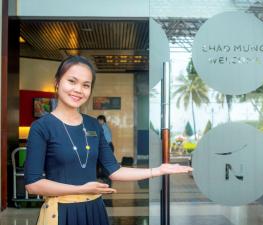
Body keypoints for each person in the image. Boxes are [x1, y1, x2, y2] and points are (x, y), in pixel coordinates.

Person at [24, 55, 193, 225]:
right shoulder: (41, 127)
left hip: (94, 211)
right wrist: (81, 189)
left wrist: (157, 170)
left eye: (86, 85)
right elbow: (33, 184)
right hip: (61, 213)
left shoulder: (93, 125)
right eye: (72, 81)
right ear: (57, 82)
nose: (78, 90)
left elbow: (114, 170)